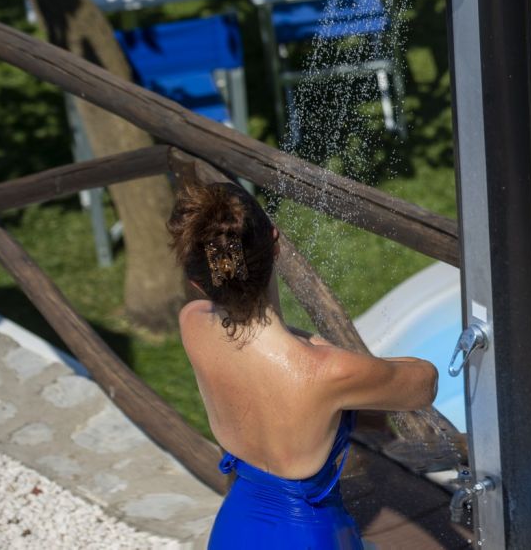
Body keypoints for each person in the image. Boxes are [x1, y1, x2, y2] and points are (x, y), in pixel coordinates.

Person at [169, 181, 438, 548]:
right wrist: (324, 349)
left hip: (235, 525)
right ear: (275, 244)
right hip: (310, 536)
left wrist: (312, 347)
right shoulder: (327, 372)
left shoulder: (192, 322)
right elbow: (424, 382)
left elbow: (250, 342)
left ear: (198, 283)